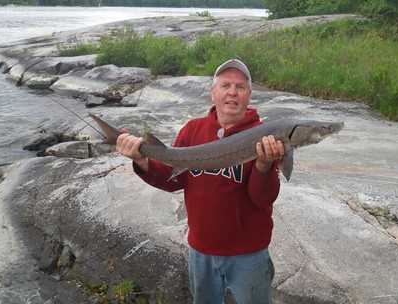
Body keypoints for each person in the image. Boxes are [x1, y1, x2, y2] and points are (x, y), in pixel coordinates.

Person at [116, 59, 284, 304]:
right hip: (201, 250)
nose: (232, 92)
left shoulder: (265, 135)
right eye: (225, 85)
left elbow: (263, 199)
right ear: (213, 92)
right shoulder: (193, 130)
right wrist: (143, 161)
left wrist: (264, 165)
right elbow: (172, 180)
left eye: (240, 87)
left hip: (249, 253)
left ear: (249, 94)